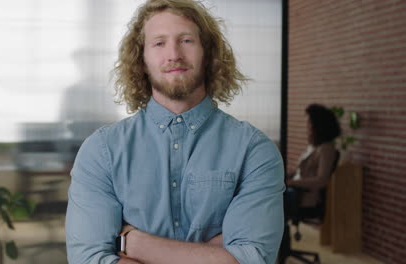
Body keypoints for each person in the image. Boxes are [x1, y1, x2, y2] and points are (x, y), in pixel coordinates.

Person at [65, 1, 285, 263]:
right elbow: (88, 258)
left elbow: (253, 258)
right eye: (159, 43)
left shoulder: (254, 150)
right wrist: (217, 254)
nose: (174, 55)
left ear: (208, 53)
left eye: (187, 40)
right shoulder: (101, 151)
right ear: (142, 60)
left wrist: (135, 244)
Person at [285, 104, 341, 208]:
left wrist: (293, 183)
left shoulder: (326, 149)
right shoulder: (314, 146)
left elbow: (321, 180)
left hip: (304, 196)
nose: (306, 126)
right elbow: (300, 171)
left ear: (318, 125)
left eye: (309, 122)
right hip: (294, 191)